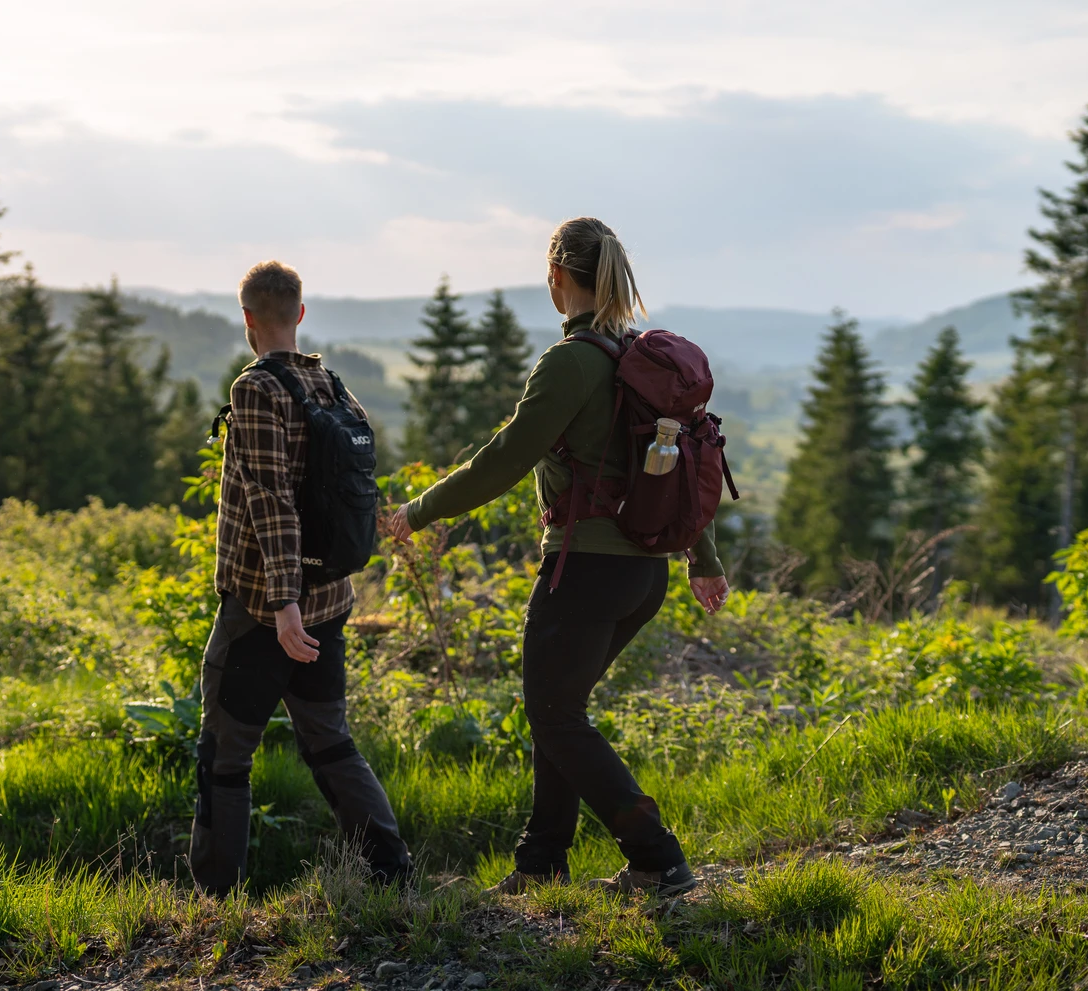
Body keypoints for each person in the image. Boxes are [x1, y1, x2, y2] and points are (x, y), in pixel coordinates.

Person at [388, 218, 729, 896]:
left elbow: (505, 459)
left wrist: (416, 511)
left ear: (556, 278)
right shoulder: (636, 356)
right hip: (642, 574)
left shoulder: (570, 362)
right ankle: (541, 863)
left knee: (555, 713)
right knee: (559, 707)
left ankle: (657, 856)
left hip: (585, 574)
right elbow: (682, 463)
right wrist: (703, 557)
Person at [190, 260, 412, 895]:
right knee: (329, 741)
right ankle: (392, 878)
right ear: (301, 314)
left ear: (248, 320)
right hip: (331, 597)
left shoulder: (255, 391)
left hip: (265, 607)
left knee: (225, 755)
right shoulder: (333, 386)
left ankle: (214, 900)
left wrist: (283, 602)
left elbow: (271, 500)